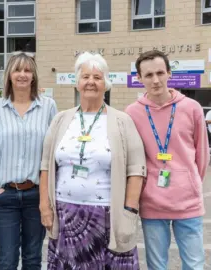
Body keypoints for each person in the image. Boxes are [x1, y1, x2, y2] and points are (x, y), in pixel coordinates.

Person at [39, 52, 146, 269]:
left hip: (107, 215)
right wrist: (45, 207)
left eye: (97, 77)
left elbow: (136, 169)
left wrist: (129, 210)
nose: (91, 82)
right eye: (85, 76)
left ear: (105, 83)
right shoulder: (61, 119)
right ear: (77, 82)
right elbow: (46, 167)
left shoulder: (122, 121)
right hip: (65, 214)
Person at [125, 50, 209, 270]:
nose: (155, 80)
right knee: (157, 265)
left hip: (188, 202)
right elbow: (132, 158)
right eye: (149, 75)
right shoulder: (132, 113)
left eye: (160, 73)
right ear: (139, 78)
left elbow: (202, 156)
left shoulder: (192, 108)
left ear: (169, 74)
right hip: (152, 203)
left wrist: (189, 182)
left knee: (194, 264)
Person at [0, 51, 58, 270]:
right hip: (6, 196)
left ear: (33, 76)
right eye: (17, 70)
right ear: (9, 75)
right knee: (7, 258)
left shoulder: (48, 107)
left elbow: (54, 150)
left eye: (27, 70)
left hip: (37, 195)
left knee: (33, 257)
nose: (22, 75)